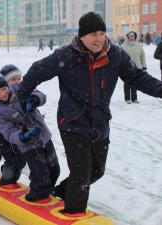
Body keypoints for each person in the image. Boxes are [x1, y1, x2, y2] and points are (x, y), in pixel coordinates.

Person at [17, 11, 162, 216]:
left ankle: (60, 193)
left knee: (97, 171)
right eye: (93, 34)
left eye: (102, 33)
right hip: (72, 122)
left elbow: (137, 77)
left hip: (100, 123)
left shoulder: (115, 55)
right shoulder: (65, 55)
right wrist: (22, 97)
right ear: (82, 36)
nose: (99, 38)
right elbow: (36, 71)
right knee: (81, 174)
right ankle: (73, 214)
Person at [0, 69, 60, 202]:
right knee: (41, 174)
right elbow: (8, 132)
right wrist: (23, 136)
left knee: (54, 169)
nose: (2, 94)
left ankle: (46, 193)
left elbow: (40, 94)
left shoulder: (18, 87)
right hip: (28, 144)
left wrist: (35, 99)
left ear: (7, 85)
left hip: (44, 136)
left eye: (3, 89)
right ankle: (35, 197)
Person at [121, 31, 147, 103]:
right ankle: (127, 99)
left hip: (137, 67)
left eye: (133, 36)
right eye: (130, 36)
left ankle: (134, 98)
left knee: (135, 83)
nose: (131, 37)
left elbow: (142, 56)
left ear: (135, 36)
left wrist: (144, 65)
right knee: (127, 83)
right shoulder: (123, 46)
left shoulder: (139, 45)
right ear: (127, 37)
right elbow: (121, 58)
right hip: (127, 68)